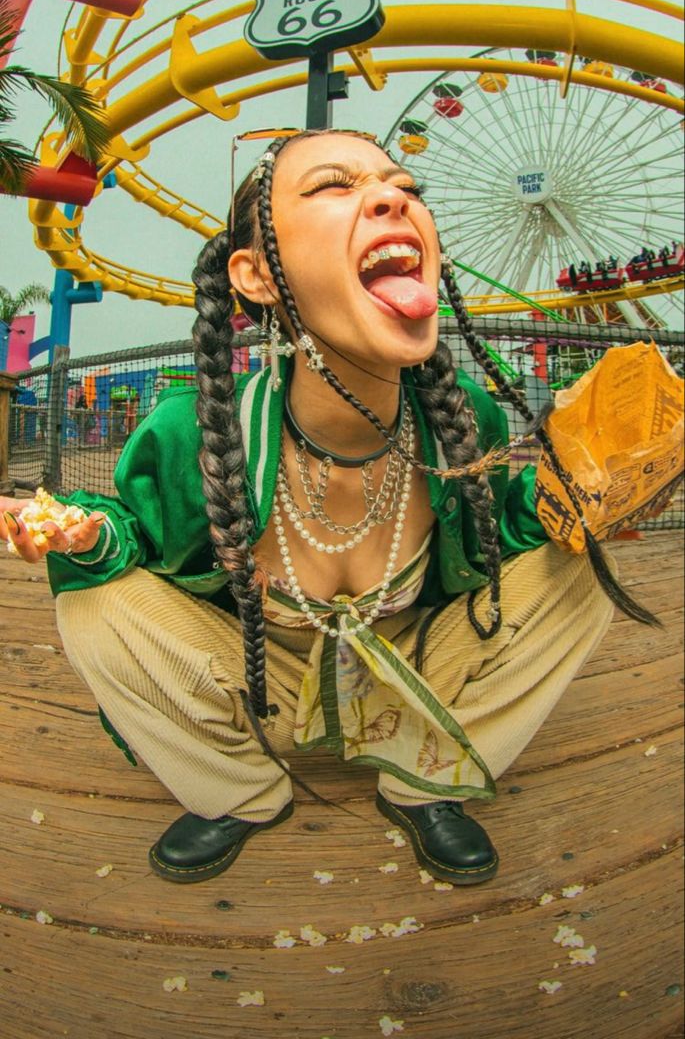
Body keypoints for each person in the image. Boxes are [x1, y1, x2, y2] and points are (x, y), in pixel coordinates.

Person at [0, 129, 653, 888]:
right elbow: (139, 540)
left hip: (418, 665)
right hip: (257, 673)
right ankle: (238, 791)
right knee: (97, 603)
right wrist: (82, 532)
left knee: (583, 568)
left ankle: (427, 782)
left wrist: (576, 505)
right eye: (334, 187)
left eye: (406, 187)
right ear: (255, 275)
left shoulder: (465, 416)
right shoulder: (190, 430)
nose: (393, 198)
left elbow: (499, 541)